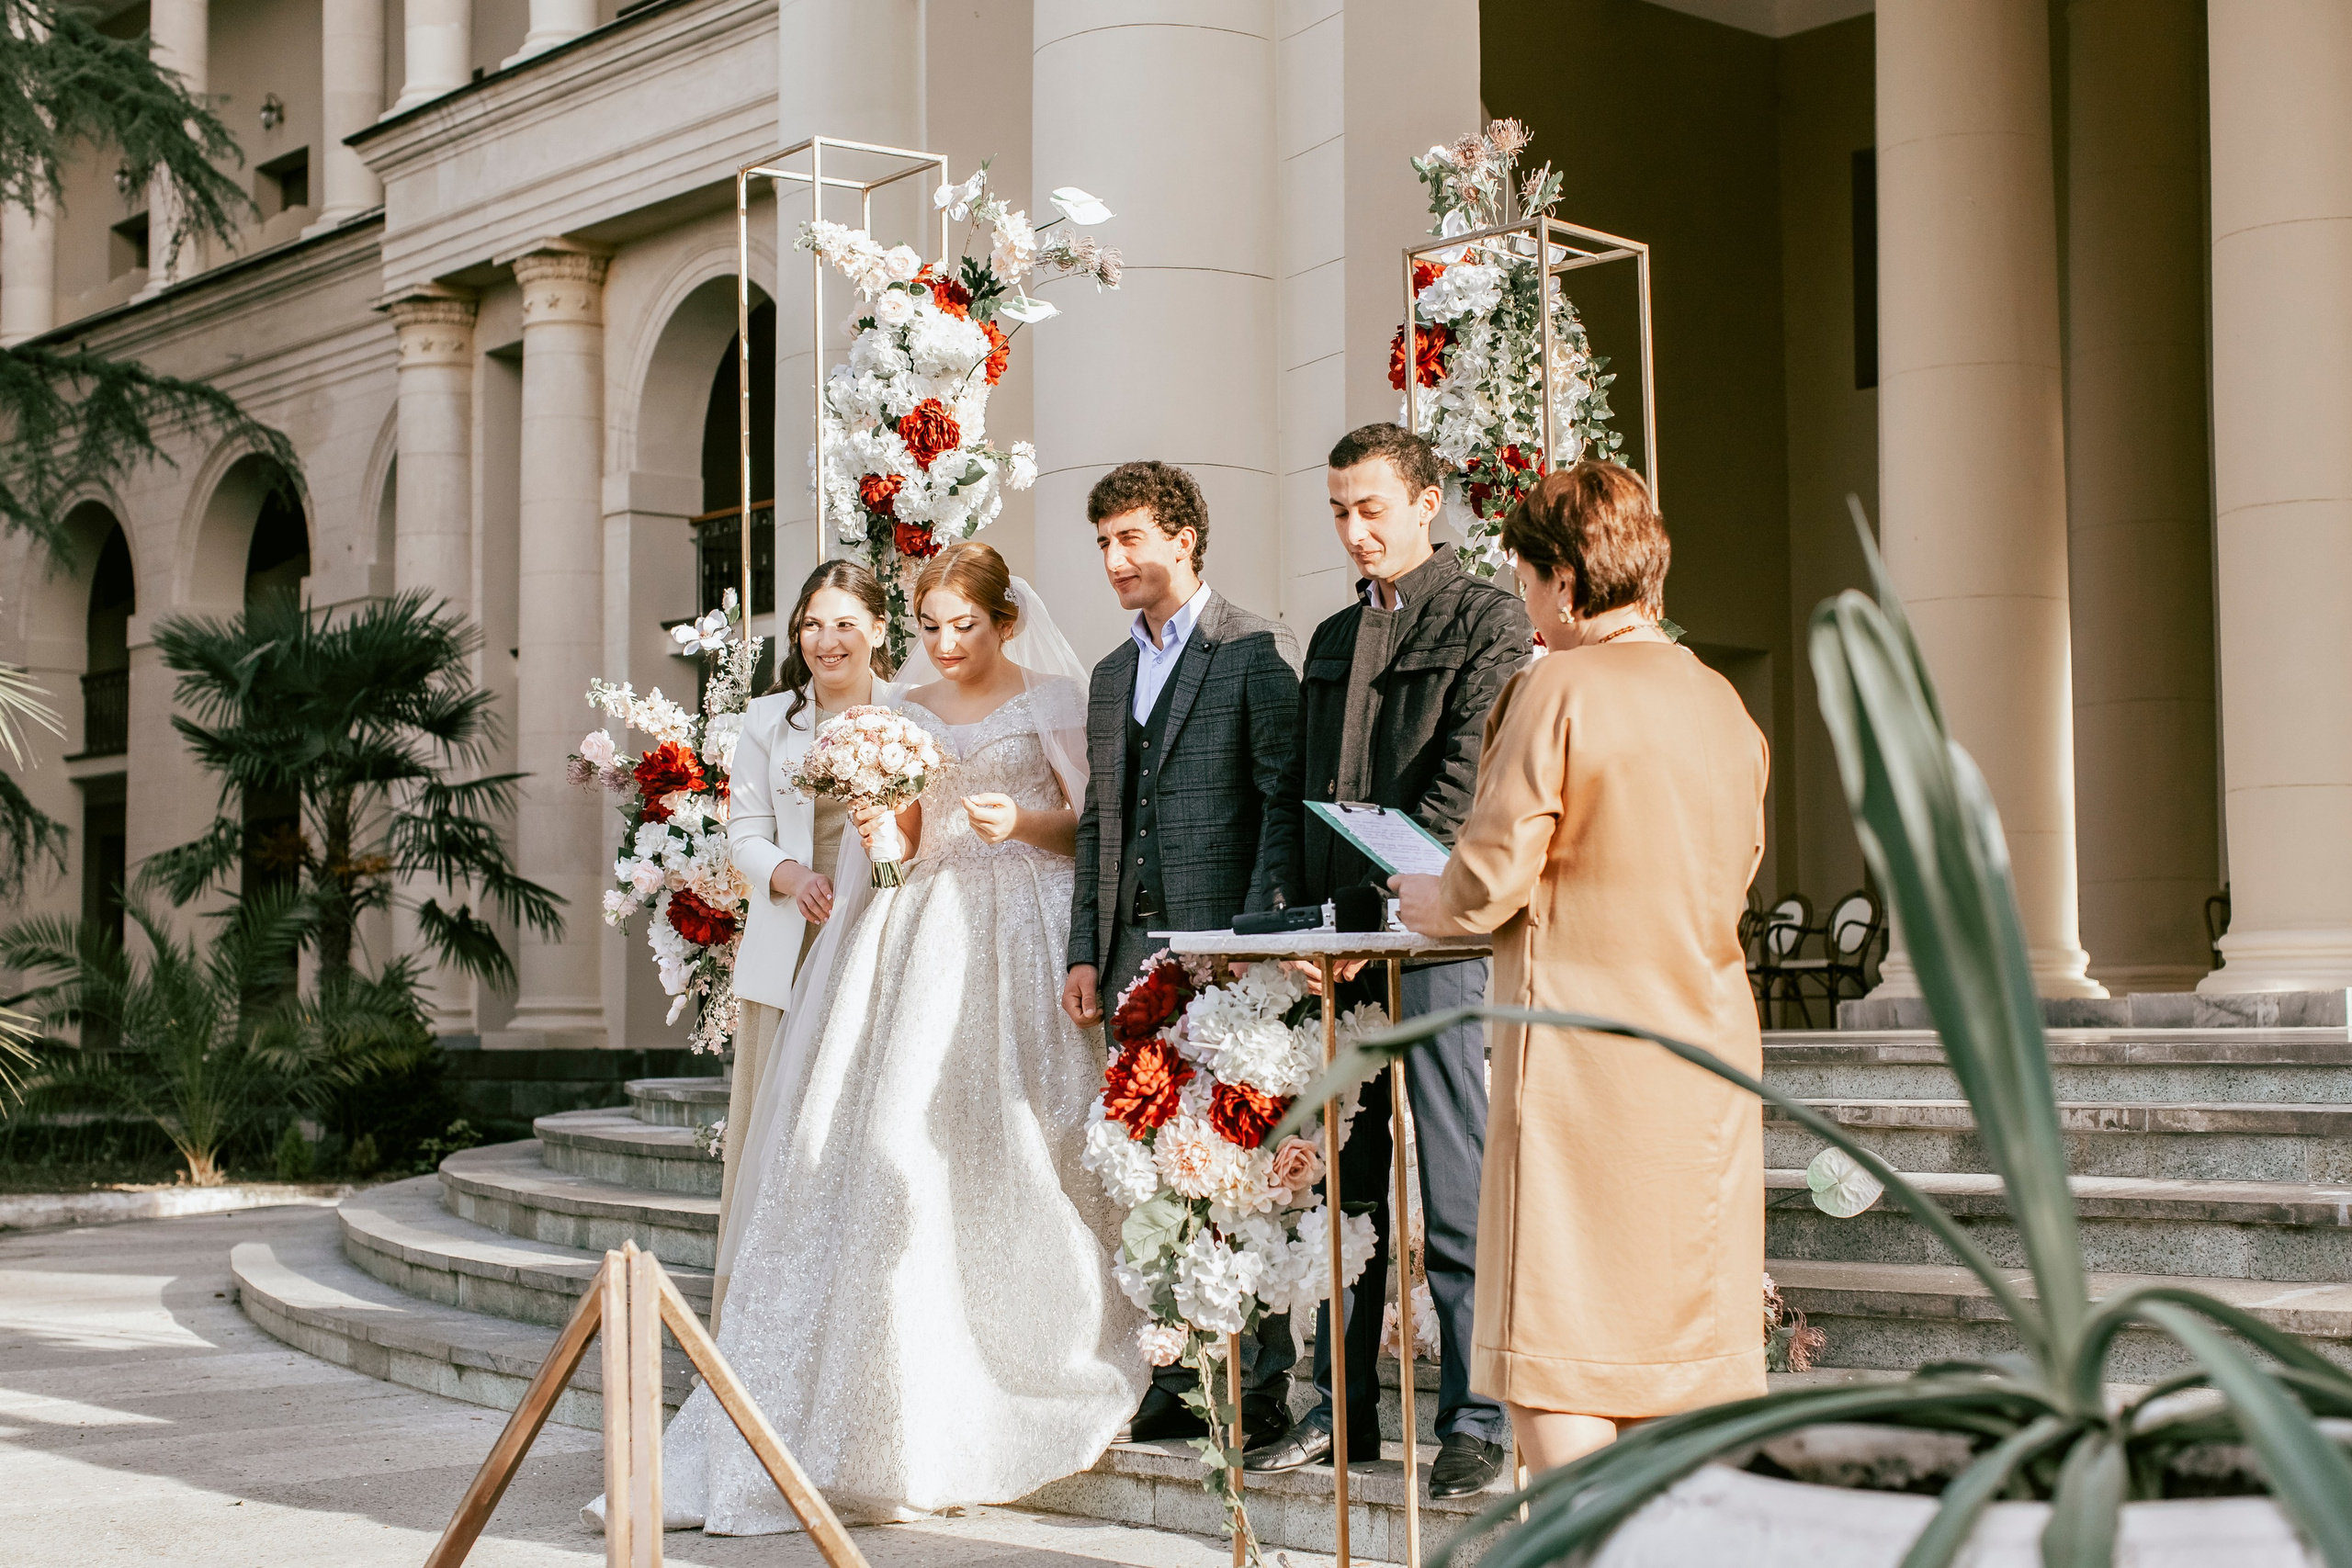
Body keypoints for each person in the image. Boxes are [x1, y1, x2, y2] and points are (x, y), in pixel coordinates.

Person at [598, 541, 1143, 1534]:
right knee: (887, 1140)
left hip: (1023, 929)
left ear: (1003, 623)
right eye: (930, 627)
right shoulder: (901, 714)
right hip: (920, 936)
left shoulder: (1057, 697)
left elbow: (1095, 824)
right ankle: (882, 1396)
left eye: (962, 628)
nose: (944, 645)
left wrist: (1016, 822)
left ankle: (1040, 1351)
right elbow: (887, 866)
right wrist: (881, 825)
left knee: (1017, 1142)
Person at [1390, 462, 1769, 1473]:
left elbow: (1487, 879)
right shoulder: (1721, 700)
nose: (1526, 605)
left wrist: (1432, 899)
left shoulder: (1555, 686)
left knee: (1557, 1348)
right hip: (1704, 1053)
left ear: (1562, 577)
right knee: (1671, 1341)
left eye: (1524, 580)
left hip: (1580, 1060)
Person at [1250, 423, 1526, 1497]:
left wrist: (1373, 921)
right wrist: (1302, 928)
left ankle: (1475, 1418)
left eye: (1370, 507)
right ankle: (1343, 1410)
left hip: (1440, 939)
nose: (1353, 529)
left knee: (1455, 1183)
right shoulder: (1325, 636)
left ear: (1426, 501)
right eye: (1337, 511)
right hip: (1337, 950)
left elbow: (1463, 783)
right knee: (1342, 1192)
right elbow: (1302, 793)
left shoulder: (1487, 616)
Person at [1058, 460, 1302, 1445]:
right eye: (1104, 544)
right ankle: (1178, 1371)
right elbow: (1098, 824)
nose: (1115, 561)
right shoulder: (1111, 675)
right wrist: (1084, 947)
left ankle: (1263, 1381)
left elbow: (1282, 802)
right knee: (1153, 1168)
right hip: (1129, 960)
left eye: (1130, 540)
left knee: (1247, 1167)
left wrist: (1253, 941)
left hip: (1228, 962)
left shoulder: (1251, 649)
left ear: (1183, 538)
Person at [715, 560, 903, 1329]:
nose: (828, 641)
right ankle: (758, 1314)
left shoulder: (908, 712)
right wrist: (791, 875)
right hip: (790, 944)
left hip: (878, 933)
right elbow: (744, 834)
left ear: (879, 631)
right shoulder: (767, 718)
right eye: (813, 624)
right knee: (774, 1124)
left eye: (845, 623)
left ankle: (850, 1313)